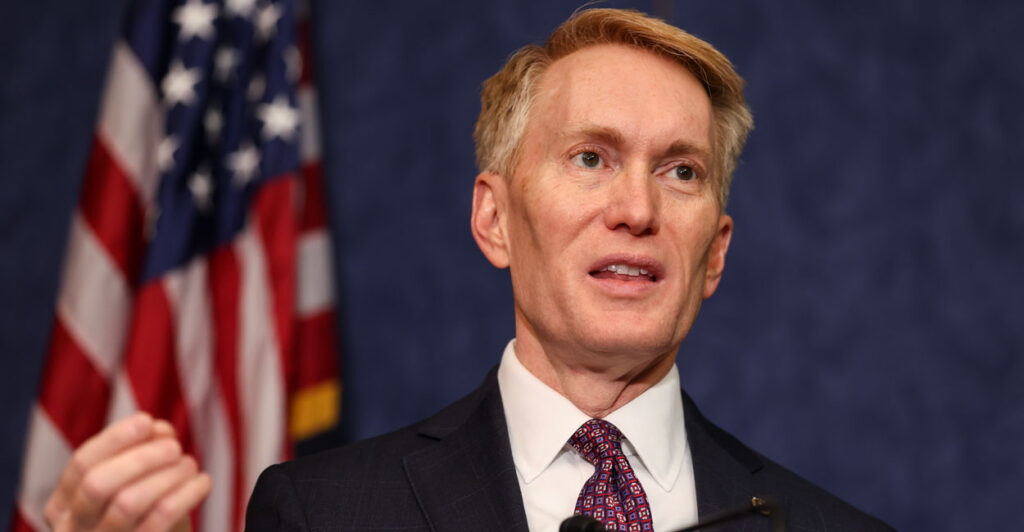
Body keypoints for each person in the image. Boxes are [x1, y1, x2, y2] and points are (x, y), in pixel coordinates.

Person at [44, 8, 893, 532]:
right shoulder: (325, 516)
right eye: (591, 157)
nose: (638, 209)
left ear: (714, 252)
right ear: (494, 219)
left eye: (682, 172)